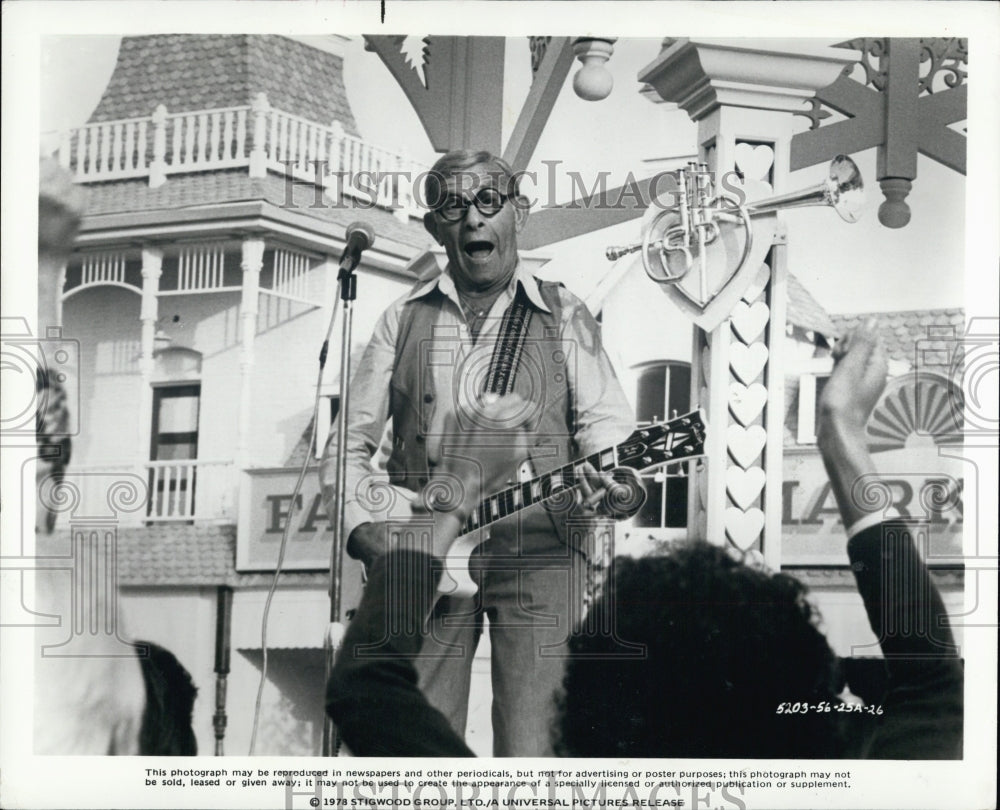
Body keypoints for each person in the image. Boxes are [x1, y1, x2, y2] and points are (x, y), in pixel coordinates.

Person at [325, 323, 963, 758]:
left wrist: (455, 491)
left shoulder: (562, 318)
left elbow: (366, 688)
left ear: (582, 713)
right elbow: (931, 679)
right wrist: (841, 430)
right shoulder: (915, 766)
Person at [320, 149, 643, 756]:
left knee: (535, 749)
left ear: (518, 212)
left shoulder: (565, 312)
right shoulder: (399, 319)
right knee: (412, 745)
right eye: (453, 205)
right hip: (428, 545)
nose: (473, 219)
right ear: (433, 226)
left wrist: (616, 485)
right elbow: (348, 447)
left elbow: (609, 431)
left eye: (489, 202)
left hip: (544, 552)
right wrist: (366, 530)